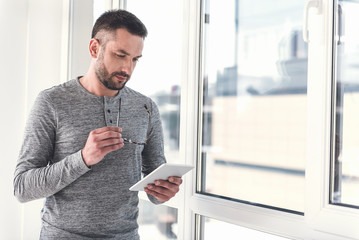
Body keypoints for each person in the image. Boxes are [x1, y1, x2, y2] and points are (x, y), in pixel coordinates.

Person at [13, 9, 182, 240]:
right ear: (94, 48)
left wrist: (163, 192)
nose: (127, 69)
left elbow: (155, 186)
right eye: (120, 55)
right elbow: (22, 187)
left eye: (134, 59)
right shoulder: (52, 102)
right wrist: (82, 158)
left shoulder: (146, 108)